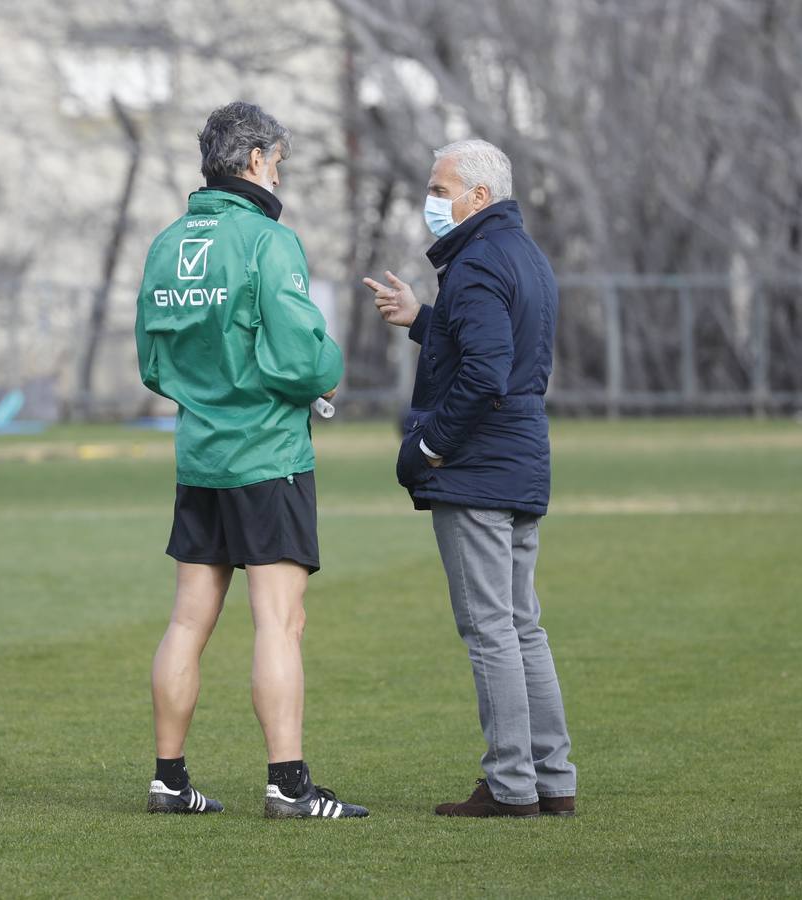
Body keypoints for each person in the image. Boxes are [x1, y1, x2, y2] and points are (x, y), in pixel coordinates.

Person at [135, 101, 368, 819]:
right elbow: (302, 357)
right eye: (280, 159)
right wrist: (329, 370)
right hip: (267, 456)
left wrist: (207, 393)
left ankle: (169, 780)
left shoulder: (168, 242)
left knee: (185, 622)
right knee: (279, 622)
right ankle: (287, 784)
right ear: (258, 159)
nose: (281, 171)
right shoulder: (269, 241)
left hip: (199, 455)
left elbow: (151, 360)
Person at [363, 139, 576, 817]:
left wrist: (425, 447)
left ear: (477, 196)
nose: (429, 200)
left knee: (490, 630)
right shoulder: (523, 255)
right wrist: (422, 321)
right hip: (518, 460)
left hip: (478, 469)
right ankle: (553, 779)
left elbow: (486, 373)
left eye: (438, 188)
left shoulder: (477, 261)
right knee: (521, 627)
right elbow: (496, 351)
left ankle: (510, 784)